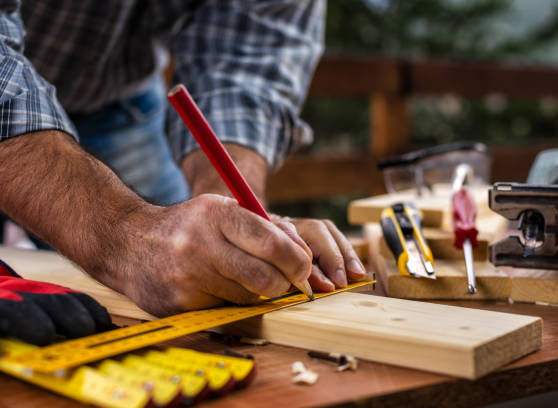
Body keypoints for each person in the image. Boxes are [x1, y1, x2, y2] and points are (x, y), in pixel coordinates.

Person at [0, 0, 366, 317]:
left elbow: (249, 57)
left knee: (197, 269)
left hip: (118, 102)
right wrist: (127, 235)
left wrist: (240, 227)